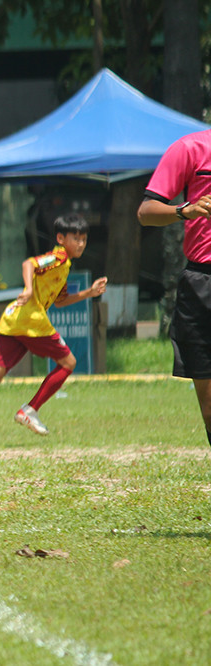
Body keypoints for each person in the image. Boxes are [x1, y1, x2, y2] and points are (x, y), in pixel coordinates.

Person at [0, 214, 107, 449]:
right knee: (68, 363)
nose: (81, 244)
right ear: (61, 238)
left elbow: (61, 300)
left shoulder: (64, 265)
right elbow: (29, 264)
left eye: (84, 239)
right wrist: (28, 288)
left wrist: (88, 293)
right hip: (31, 320)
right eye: (76, 238)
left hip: (15, 319)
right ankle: (30, 410)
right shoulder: (58, 257)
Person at [138, 129, 211, 448]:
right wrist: (186, 210)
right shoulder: (189, 148)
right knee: (208, 406)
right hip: (200, 284)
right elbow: (145, 213)